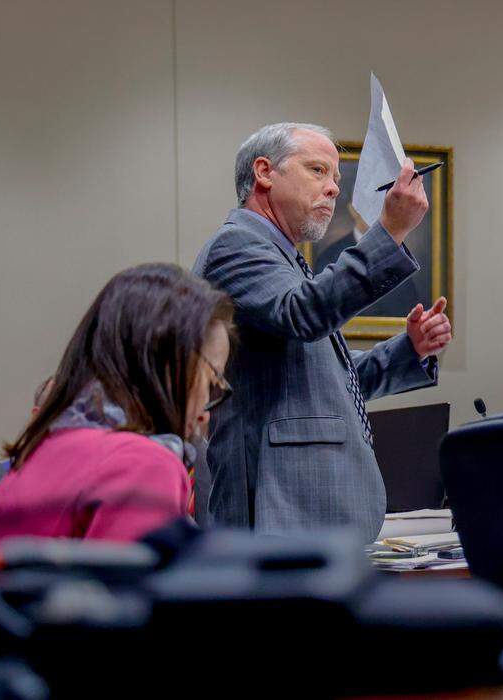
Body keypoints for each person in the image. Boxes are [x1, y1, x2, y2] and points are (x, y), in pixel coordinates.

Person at [193, 122, 451, 540]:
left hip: (304, 510)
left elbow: (332, 384)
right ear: (264, 172)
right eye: (317, 170)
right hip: (279, 510)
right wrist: (391, 233)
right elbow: (303, 313)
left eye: (336, 177)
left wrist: (409, 350)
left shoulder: (285, 258)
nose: (334, 189)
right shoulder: (236, 245)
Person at [0, 264, 233, 572]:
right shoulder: (141, 463)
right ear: (170, 362)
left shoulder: (53, 443)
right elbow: (135, 609)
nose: (206, 411)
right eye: (212, 382)